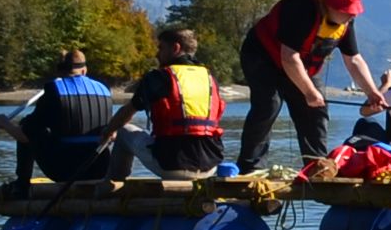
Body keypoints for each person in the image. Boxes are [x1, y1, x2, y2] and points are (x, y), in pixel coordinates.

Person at [237, 0, 384, 169]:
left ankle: (317, 166)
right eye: (347, 12)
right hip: (262, 56)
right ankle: (250, 167)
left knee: (316, 109)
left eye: (354, 12)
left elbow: (354, 59)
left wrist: (372, 92)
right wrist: (309, 92)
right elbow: (289, 57)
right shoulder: (303, 8)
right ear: (330, 6)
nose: (351, 16)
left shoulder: (346, 22)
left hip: (297, 64)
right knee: (269, 105)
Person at [122, 25, 229, 176]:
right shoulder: (209, 78)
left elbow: (126, 112)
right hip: (211, 167)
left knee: (122, 131)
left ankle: (112, 188)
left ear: (176, 48)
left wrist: (107, 133)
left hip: (171, 166)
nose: (157, 54)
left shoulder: (158, 77)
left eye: (161, 48)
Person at [13, 47, 129, 182]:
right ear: (84, 70)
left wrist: (3, 123)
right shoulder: (104, 89)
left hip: (66, 170)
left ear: (61, 71)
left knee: (27, 127)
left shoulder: (53, 89)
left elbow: (25, 135)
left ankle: (21, 184)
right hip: (101, 168)